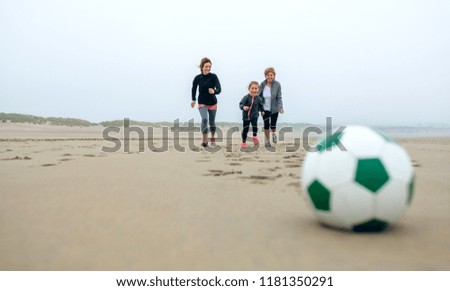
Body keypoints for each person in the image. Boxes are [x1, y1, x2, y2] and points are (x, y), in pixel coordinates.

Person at [191, 57, 222, 147]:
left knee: (212, 122)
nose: (208, 68)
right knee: (204, 119)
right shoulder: (198, 78)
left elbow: (219, 89)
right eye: (206, 66)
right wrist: (193, 99)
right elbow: (193, 88)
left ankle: (212, 139)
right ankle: (204, 141)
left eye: (209, 66)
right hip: (202, 102)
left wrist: (214, 91)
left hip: (212, 103)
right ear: (202, 67)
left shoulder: (213, 76)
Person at [259, 67, 284, 147]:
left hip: (274, 109)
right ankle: (267, 141)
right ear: (265, 76)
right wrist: (258, 108)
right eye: (268, 75)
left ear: (274, 76)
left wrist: (280, 107)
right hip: (264, 109)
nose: (270, 77)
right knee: (266, 125)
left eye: (271, 75)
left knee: (272, 125)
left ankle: (273, 134)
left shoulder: (277, 85)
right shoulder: (262, 85)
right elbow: (258, 97)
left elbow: (279, 97)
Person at [239, 81, 264, 150]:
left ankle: (254, 136)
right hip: (246, 117)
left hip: (254, 115)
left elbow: (261, 105)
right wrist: (243, 107)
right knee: (245, 129)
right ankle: (243, 142)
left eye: (256, 88)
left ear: (258, 89)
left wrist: (262, 111)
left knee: (255, 127)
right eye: (252, 88)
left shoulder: (258, 98)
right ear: (249, 89)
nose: (254, 90)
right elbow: (241, 104)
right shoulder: (246, 97)